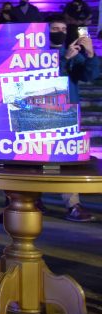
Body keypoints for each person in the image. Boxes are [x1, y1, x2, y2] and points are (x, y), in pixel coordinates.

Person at [47, 15, 100, 222]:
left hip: (67, 111)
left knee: (66, 158)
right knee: (33, 156)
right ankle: (32, 198)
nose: (59, 32)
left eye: (62, 29)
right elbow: (44, 78)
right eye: (55, 28)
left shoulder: (71, 50)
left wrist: (90, 53)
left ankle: (72, 204)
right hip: (38, 111)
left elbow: (89, 76)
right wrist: (65, 60)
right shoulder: (35, 53)